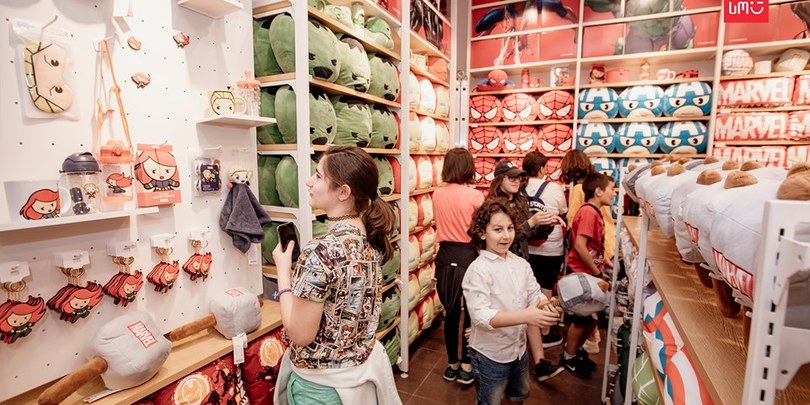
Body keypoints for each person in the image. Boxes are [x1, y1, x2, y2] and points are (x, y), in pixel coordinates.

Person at [272, 146, 401, 405]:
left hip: (320, 390)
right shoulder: (371, 241)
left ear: (343, 192)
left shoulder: (320, 252)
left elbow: (299, 334)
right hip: (358, 382)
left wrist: (283, 274)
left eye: (318, 176)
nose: (309, 181)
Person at [462, 199, 562, 405]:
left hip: (519, 351)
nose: (506, 235)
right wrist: (526, 316)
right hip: (491, 356)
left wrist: (547, 305)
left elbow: (534, 294)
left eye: (510, 228)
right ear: (482, 233)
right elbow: (481, 316)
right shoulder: (478, 270)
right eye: (498, 229)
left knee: (518, 396)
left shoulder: (520, 264)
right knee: (490, 401)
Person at [486, 159, 565, 382]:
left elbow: (528, 236)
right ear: (499, 180)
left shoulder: (520, 200)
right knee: (510, 312)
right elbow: (505, 238)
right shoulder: (493, 205)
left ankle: (539, 363)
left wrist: (546, 225)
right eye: (511, 177)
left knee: (529, 307)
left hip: (521, 262)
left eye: (519, 177)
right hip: (501, 265)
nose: (517, 181)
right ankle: (500, 364)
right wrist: (532, 222)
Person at [432, 148, 485, 385]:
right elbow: (481, 231)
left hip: (445, 255)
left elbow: (438, 222)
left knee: (450, 313)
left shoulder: (437, 194)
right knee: (472, 313)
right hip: (469, 255)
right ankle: (466, 364)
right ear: (468, 167)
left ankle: (452, 364)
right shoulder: (476, 196)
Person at [559, 150, 615, 354]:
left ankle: (578, 350)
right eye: (612, 189)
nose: (614, 193)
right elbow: (582, 242)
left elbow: (574, 222)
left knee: (588, 313)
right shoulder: (591, 207)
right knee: (587, 313)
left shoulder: (582, 196)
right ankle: (574, 353)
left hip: (589, 262)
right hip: (590, 261)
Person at [521, 152, 567, 349]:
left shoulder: (518, 187)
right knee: (545, 288)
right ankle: (544, 331)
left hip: (525, 246)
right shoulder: (554, 188)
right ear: (541, 168)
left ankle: (524, 328)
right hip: (550, 247)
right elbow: (563, 211)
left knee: (524, 288)